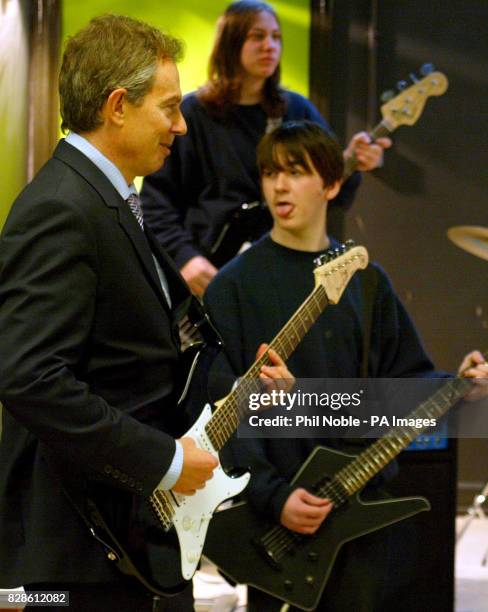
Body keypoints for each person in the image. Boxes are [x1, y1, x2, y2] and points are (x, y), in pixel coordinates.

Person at [0, 15, 292, 612]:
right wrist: (163, 460)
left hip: (127, 539)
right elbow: (27, 377)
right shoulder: (62, 207)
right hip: (70, 558)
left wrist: (240, 389)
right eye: (168, 108)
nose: (181, 126)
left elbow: (146, 362)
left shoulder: (112, 199)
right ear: (116, 106)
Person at [203, 120, 488, 610]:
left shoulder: (365, 279)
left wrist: (461, 386)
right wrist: (273, 496)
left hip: (365, 518)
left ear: (332, 184)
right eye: (271, 173)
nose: (279, 185)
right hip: (279, 526)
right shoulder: (233, 286)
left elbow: (405, 380)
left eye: (295, 172)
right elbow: (219, 410)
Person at [141, 0, 392, 296]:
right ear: (231, 42)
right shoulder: (193, 113)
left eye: (276, 37)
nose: (269, 46)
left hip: (281, 272)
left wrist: (353, 163)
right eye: (257, 36)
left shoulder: (296, 110)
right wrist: (185, 258)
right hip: (206, 275)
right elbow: (156, 203)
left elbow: (329, 195)